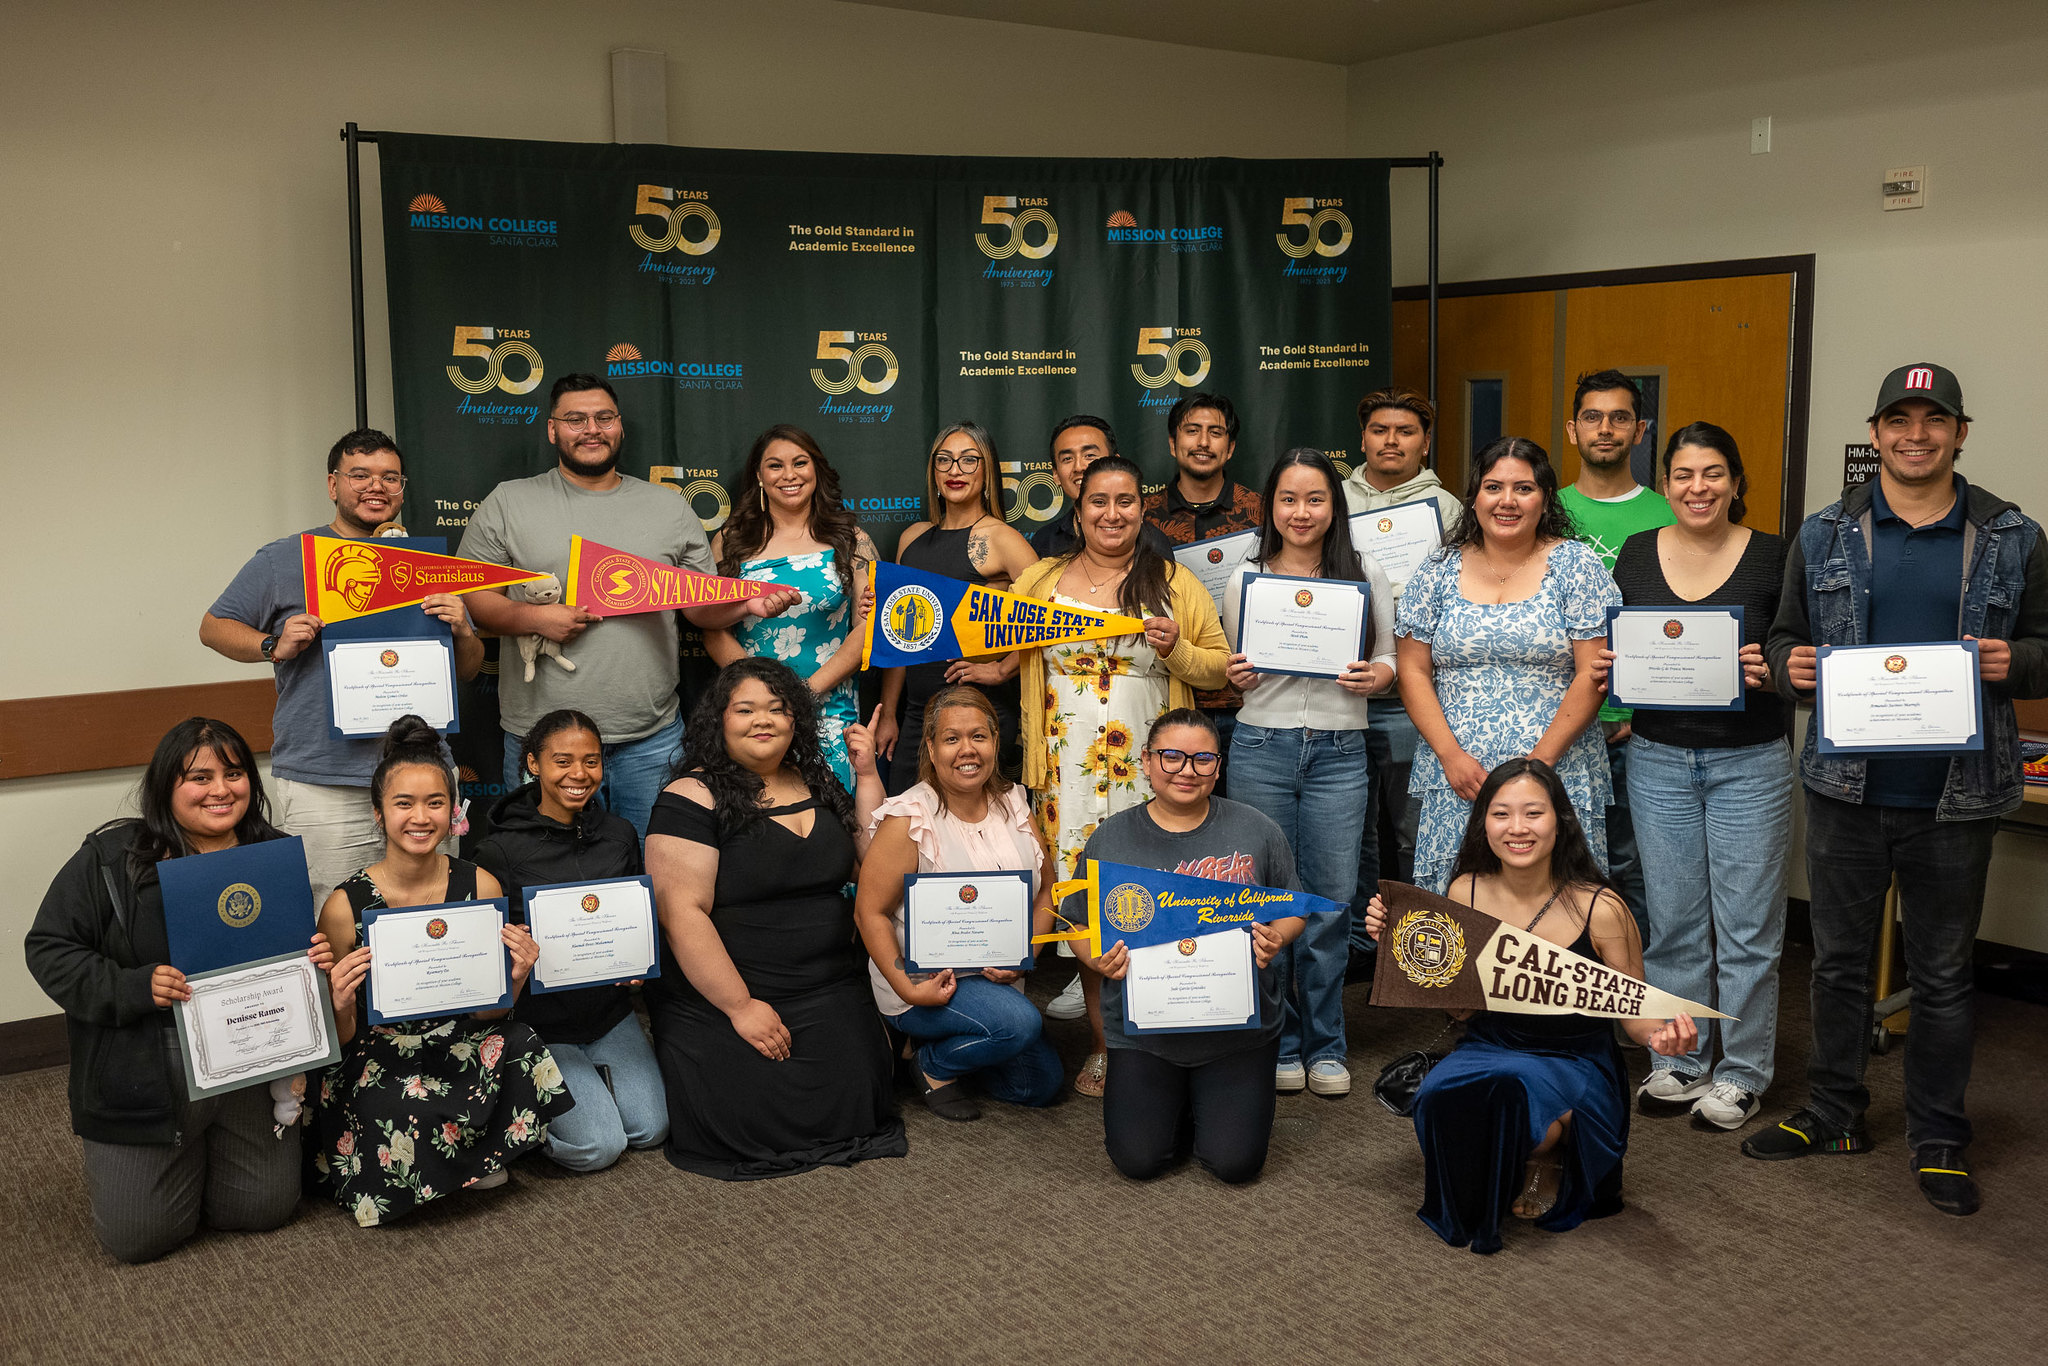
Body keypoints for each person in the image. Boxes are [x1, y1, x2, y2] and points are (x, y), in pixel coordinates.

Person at [1752, 363, 2048, 1217]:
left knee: (1944, 975)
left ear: (1960, 432)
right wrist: (1791, 666)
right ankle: (1835, 1113)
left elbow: (2046, 647)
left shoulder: (2013, 536)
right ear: (1876, 432)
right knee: (1838, 966)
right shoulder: (1824, 533)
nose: (1916, 435)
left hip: (1958, 796)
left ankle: (1939, 1135)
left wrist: (2016, 662)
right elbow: (1784, 638)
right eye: (1899, 419)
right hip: (1845, 788)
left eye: (1934, 419)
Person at [1364, 759, 1697, 1255]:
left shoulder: (1600, 908)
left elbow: (1633, 1010)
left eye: (1533, 813)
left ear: (1560, 821)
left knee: (1511, 1089)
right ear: (1483, 823)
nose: (1517, 828)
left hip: (1576, 1060)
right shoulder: (1464, 890)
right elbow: (1462, 1011)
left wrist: (1660, 1037)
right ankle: (1501, 1165)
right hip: (1489, 1044)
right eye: (1501, 814)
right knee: (1438, 1094)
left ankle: (1550, 1151)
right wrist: (1400, 947)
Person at [26, 719, 321, 1263]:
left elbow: (288, 961)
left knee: (263, 1209)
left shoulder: (273, 854)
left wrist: (313, 959)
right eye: (199, 777)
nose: (220, 790)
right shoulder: (112, 857)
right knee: (140, 1237)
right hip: (148, 1066)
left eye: (234, 774)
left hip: (246, 1062)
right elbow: (48, 948)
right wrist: (133, 986)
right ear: (166, 785)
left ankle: (208, 1153)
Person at [459, 375, 796, 838]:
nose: (591, 429)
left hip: (650, 740)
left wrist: (744, 605)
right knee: (545, 869)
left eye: (604, 418)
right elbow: (474, 600)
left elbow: (700, 609)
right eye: (575, 419)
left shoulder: (669, 507)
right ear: (552, 430)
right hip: (545, 740)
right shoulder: (509, 501)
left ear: (619, 426)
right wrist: (535, 618)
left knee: (655, 868)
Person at [1011, 456, 1231, 1095]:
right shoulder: (1039, 579)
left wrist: (1176, 648)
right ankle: (1106, 1046)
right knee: (1087, 907)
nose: (1112, 514)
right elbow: (994, 641)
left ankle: (1166, 1041)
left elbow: (1217, 667)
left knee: (1154, 899)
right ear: (1078, 512)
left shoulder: (1173, 581)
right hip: (1067, 774)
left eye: (1126, 501)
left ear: (1142, 509)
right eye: (1098, 502)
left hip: (1152, 774)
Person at [642, 659, 904, 1179]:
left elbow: (869, 867)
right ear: (719, 720)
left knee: (860, 1099)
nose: (763, 720)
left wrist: (868, 776)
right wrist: (740, 1008)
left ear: (795, 720)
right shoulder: (690, 796)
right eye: (745, 710)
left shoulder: (815, 778)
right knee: (747, 1120)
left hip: (828, 984)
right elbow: (681, 914)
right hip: (729, 992)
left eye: (777, 709)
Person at [309, 716, 572, 1227]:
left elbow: (488, 1013)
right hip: (380, 1050)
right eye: (403, 804)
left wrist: (515, 976)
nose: (420, 817)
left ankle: (451, 1162)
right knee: (389, 1099)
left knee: (521, 1043)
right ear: (379, 813)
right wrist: (339, 1003)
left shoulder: (481, 885)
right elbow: (339, 1041)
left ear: (453, 812)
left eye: (434, 803)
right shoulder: (344, 906)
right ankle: (468, 1160)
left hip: (458, 1038)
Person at [1599, 423, 1789, 1131]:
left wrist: (1771, 669)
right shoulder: (1636, 552)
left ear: (1736, 482)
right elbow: (1620, 643)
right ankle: (1679, 1058)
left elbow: (1801, 651)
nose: (1698, 487)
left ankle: (1741, 1073)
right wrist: (1612, 667)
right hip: (1656, 758)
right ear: (1666, 483)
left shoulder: (1774, 555)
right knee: (1674, 923)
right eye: (1682, 474)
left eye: (1713, 473)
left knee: (1748, 929)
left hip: (1750, 761)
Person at [201, 429, 483, 902]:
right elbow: (213, 627)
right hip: (325, 785)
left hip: (423, 779)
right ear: (333, 485)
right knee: (329, 918)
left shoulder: (426, 561)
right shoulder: (286, 558)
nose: (376, 487)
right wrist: (273, 644)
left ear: (402, 488)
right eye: (360, 475)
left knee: (430, 916)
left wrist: (463, 631)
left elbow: (469, 670)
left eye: (390, 477)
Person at [1220, 449, 1397, 1098]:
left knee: (1328, 903)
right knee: (1267, 901)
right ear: (1271, 506)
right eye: (1288, 499)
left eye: (1315, 499)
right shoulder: (1246, 578)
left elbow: (1390, 660)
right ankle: (1281, 1041)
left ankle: (1326, 1046)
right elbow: (1235, 665)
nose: (1302, 512)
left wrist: (1375, 677)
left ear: (1334, 506)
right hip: (1261, 746)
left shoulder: (1366, 572)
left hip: (1340, 751)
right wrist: (1237, 675)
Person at [1071, 710, 1305, 1183]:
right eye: (1171, 757)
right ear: (1146, 761)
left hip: (1237, 1031)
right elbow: (1077, 921)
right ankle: (1180, 1104)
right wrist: (1095, 958)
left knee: (1235, 1165)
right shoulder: (1111, 838)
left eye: (1202, 759)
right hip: (1145, 1032)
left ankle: (1205, 1104)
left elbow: (1294, 907)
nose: (1186, 770)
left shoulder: (1256, 829)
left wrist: (1278, 937)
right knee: (1138, 1161)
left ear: (1218, 766)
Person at [1395, 437, 1617, 894]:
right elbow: (1412, 670)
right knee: (1461, 901)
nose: (1507, 501)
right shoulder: (1438, 569)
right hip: (1460, 775)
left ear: (1546, 498)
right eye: (1494, 487)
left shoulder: (1576, 565)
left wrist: (1538, 768)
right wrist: (1451, 756)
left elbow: (1593, 672)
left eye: (1524, 488)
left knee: (1558, 897)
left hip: (1556, 768)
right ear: (1474, 496)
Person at [854, 685, 1063, 1120]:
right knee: (1020, 1025)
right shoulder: (909, 817)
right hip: (924, 983)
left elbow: (1046, 889)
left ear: (995, 742)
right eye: (952, 738)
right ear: (931, 748)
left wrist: (1026, 954)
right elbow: (868, 912)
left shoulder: (1013, 803)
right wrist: (908, 987)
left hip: (998, 981)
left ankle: (956, 1041)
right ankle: (933, 1064)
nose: (967, 750)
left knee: (1038, 1086)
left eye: (978, 736)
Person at [472, 710, 667, 1171]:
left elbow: (632, 923)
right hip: (540, 1024)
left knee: (651, 1129)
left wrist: (637, 963)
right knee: (598, 1147)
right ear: (533, 764)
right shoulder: (498, 850)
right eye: (562, 761)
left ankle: (589, 1089)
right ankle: (516, 1117)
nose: (578, 774)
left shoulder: (619, 835)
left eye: (591, 761)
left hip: (608, 1014)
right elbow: (484, 956)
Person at [1341, 388, 1465, 957]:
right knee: (1351, 835)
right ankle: (1361, 950)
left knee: (1417, 831)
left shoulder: (1450, 511)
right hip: (1341, 693)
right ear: (1362, 437)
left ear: (1426, 442)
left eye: (1406, 431)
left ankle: (1423, 954)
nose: (1391, 441)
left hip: (1419, 700)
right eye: (1380, 430)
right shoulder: (1333, 500)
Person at [1558, 371, 1676, 941]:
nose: (1605, 429)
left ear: (1640, 430)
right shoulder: (1543, 510)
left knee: (1632, 867)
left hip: (1636, 729)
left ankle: (1636, 985)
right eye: (1592, 417)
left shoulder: (1669, 513)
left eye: (1620, 417)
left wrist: (1634, 711)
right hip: (1554, 725)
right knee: (1555, 865)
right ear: (1572, 430)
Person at [706, 424, 877, 792]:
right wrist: (765, 698)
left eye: (800, 463)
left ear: (816, 469)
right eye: (775, 465)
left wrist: (805, 693)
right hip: (754, 716)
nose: (789, 475)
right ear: (759, 475)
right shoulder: (730, 540)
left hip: (830, 711)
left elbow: (870, 626)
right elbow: (712, 627)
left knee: (835, 814)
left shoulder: (851, 539)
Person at [875, 422, 1038, 795]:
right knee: (907, 819)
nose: (955, 470)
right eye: (944, 460)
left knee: (970, 824)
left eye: (968, 460)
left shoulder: (1001, 539)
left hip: (977, 716)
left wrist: (1001, 669)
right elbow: (898, 638)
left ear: (987, 470)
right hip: (917, 715)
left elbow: (1053, 618)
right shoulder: (912, 539)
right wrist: (888, 713)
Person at [1142, 392, 1264, 770]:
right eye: (1192, 430)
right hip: (1166, 698)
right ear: (1172, 443)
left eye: (1216, 432)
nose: (1203, 442)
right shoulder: (1142, 517)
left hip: (1247, 702)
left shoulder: (1261, 513)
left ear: (1230, 448)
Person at [1028, 415, 1173, 560]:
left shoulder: (1152, 542)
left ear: (1115, 464)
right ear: (1055, 474)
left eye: (1089, 455)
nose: (1078, 467)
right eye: (1067, 459)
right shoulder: (1045, 540)